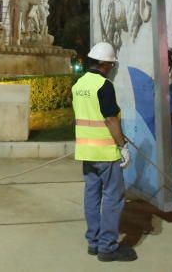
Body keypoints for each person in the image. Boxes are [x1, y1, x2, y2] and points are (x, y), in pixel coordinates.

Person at [72, 42, 137, 262]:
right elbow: (109, 119)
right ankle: (107, 247)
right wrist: (122, 146)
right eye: (111, 64)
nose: (112, 68)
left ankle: (94, 241)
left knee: (92, 195)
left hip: (86, 152)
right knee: (112, 198)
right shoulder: (104, 85)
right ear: (105, 64)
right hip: (105, 154)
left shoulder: (78, 84)